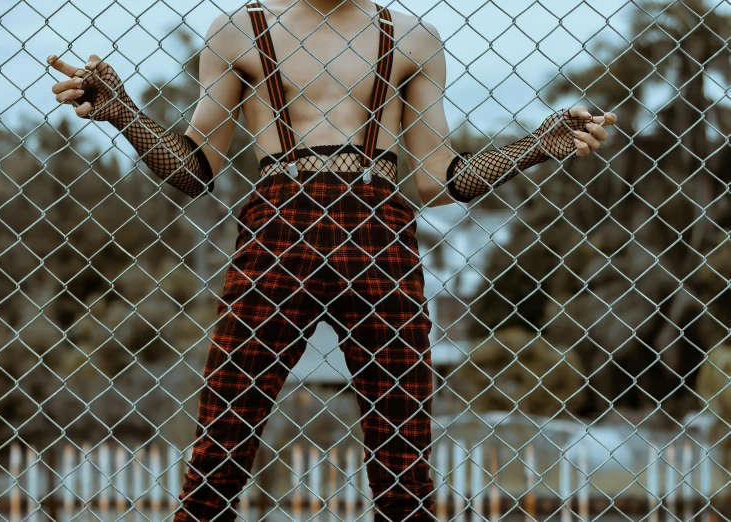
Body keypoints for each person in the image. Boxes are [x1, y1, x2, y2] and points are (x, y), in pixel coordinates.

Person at [47, 0, 617, 520]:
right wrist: (125, 114)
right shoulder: (237, 29)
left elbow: (436, 178)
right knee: (221, 445)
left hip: (378, 228)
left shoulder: (414, 36)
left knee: (403, 460)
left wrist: (534, 147)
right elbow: (196, 169)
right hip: (279, 225)